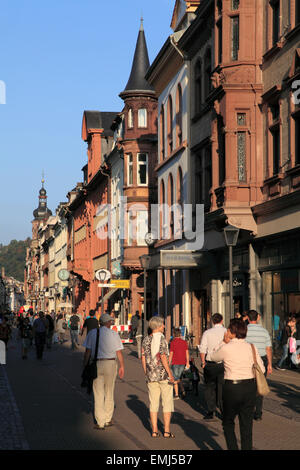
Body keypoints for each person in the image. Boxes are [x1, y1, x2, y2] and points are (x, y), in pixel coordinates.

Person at [211, 318, 265, 451]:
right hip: (249, 387)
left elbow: (212, 357)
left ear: (232, 332)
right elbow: (262, 369)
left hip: (232, 388)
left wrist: (223, 341)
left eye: (228, 329)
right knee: (246, 425)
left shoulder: (226, 347)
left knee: (228, 422)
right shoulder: (251, 347)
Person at [83, 313, 124, 430]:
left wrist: (84, 365)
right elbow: (119, 352)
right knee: (109, 392)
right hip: (110, 363)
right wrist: (122, 366)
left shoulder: (92, 333)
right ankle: (107, 419)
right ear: (107, 322)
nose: (111, 323)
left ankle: (100, 422)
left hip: (97, 364)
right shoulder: (114, 334)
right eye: (110, 322)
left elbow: (87, 352)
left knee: (98, 393)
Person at [141, 316, 176, 438]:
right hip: (163, 375)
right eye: (162, 325)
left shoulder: (145, 340)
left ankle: (154, 430)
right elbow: (163, 357)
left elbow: (143, 357)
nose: (164, 327)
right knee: (167, 402)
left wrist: (146, 372)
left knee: (153, 403)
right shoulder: (162, 340)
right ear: (158, 326)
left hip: (151, 375)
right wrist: (170, 374)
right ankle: (166, 431)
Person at [245, 310, 272, 421]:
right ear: (258, 318)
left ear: (247, 318)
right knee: (260, 386)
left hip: (248, 361)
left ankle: (249, 410)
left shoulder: (245, 330)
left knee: (248, 386)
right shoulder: (264, 332)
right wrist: (270, 364)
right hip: (262, 360)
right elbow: (268, 349)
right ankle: (258, 413)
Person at [199, 313, 227, 420]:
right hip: (223, 363)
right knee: (222, 387)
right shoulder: (226, 332)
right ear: (222, 320)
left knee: (209, 387)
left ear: (212, 321)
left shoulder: (207, 333)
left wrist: (203, 362)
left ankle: (211, 411)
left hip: (210, 363)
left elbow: (202, 349)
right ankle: (223, 411)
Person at [169, 328, 189, 399]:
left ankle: (177, 394)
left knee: (175, 378)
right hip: (183, 362)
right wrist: (187, 362)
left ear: (174, 334)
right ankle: (183, 390)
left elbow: (171, 353)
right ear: (180, 334)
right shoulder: (184, 342)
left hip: (175, 362)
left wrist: (169, 362)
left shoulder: (172, 342)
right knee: (178, 377)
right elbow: (187, 353)